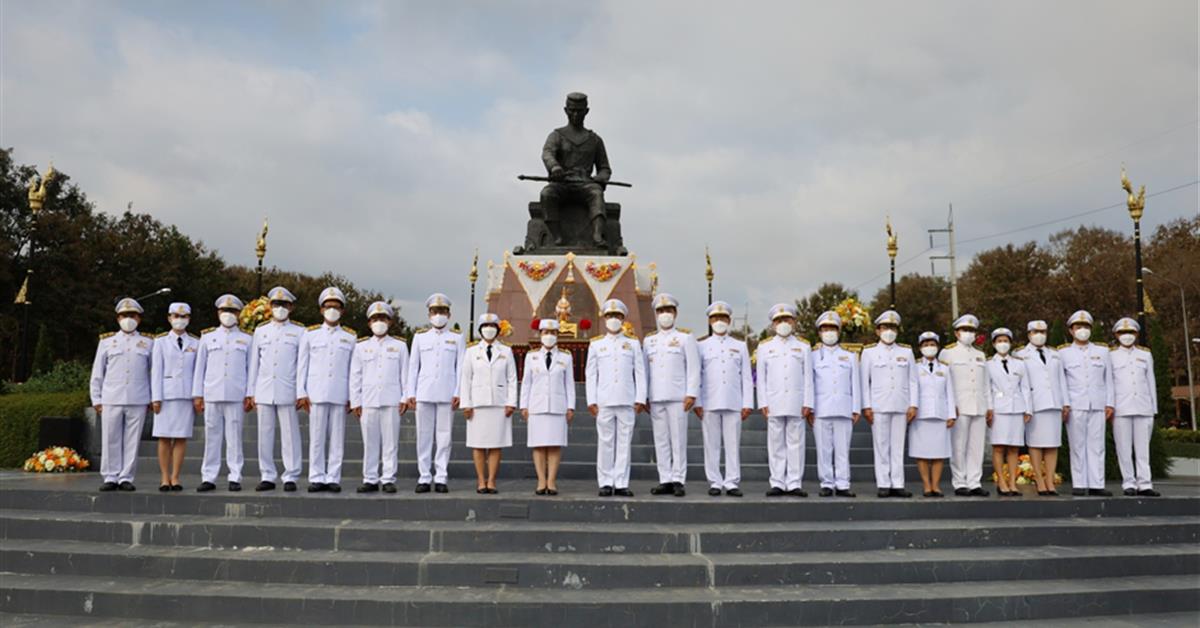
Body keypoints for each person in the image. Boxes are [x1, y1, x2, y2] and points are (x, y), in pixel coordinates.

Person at [297, 287, 356, 493]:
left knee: (337, 438)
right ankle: (316, 476)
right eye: (328, 306)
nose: (332, 310)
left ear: (342, 311)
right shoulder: (310, 334)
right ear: (321, 310)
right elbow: (302, 365)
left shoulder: (350, 337)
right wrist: (301, 392)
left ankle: (333, 477)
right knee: (317, 437)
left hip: (340, 392)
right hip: (316, 392)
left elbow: (353, 369)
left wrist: (353, 397)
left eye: (336, 307)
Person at [90, 297, 152, 492]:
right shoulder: (107, 342)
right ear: (118, 318)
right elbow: (97, 372)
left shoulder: (148, 342)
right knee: (110, 438)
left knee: (132, 440)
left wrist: (152, 397)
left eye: (132, 315)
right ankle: (110, 475)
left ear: (139, 319)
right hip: (111, 397)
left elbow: (152, 372)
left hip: (138, 397)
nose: (128, 319)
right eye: (125, 315)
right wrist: (96, 398)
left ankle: (126, 476)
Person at [406, 293, 466, 494]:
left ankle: (441, 476)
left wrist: (458, 392)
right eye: (434, 311)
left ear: (448, 314)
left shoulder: (457, 338)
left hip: (447, 392)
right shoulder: (420, 337)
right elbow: (413, 366)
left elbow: (461, 368)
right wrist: (410, 393)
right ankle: (424, 476)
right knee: (423, 436)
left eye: (442, 311)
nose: (438, 315)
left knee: (444, 437)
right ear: (429, 314)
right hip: (424, 392)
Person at [246, 286, 305, 492]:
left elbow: (301, 364)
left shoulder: (299, 331)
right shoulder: (261, 331)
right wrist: (250, 392)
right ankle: (267, 474)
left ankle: (291, 475)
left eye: (284, 304)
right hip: (264, 389)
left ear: (291, 307)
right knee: (265, 433)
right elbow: (254, 363)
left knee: (290, 434)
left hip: (288, 388)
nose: (280, 308)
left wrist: (301, 391)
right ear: (270, 307)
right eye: (276, 304)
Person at [586, 299, 647, 497]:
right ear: (604, 319)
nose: (614, 319)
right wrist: (591, 400)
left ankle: (621, 482)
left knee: (624, 443)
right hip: (604, 400)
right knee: (605, 442)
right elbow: (591, 374)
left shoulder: (632, 343)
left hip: (627, 400)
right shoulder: (596, 344)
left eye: (617, 316)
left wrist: (640, 398)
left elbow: (640, 372)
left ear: (623, 319)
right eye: (610, 316)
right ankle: (605, 482)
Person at [192, 294, 252, 492]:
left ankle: (235, 476)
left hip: (236, 394)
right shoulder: (208, 337)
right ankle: (209, 476)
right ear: (218, 313)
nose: (228, 315)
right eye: (224, 311)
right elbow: (199, 368)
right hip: (212, 393)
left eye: (232, 311)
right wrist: (198, 395)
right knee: (212, 436)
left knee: (234, 437)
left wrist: (249, 394)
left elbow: (251, 368)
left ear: (239, 313)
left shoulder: (246, 339)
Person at [642, 293, 699, 497]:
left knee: (678, 439)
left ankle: (678, 479)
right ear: (656, 314)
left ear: (675, 313)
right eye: (660, 311)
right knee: (661, 440)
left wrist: (691, 393)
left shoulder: (685, 338)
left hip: (678, 396)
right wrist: (644, 396)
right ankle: (664, 478)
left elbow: (693, 367)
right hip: (656, 397)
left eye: (668, 311)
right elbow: (645, 372)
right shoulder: (649, 341)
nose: (664, 314)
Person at [349, 301, 409, 494]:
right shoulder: (361, 347)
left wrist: (405, 397)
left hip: (391, 399)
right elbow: (355, 375)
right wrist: (356, 401)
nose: (379, 322)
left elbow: (405, 375)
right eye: (375, 319)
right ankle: (370, 478)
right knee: (370, 442)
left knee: (390, 442)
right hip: (368, 400)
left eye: (382, 318)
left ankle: (389, 478)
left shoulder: (399, 346)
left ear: (390, 322)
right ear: (369, 323)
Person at [695, 301, 753, 497]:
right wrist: (698, 402)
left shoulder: (740, 346)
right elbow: (698, 376)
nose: (719, 321)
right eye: (715, 318)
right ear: (710, 321)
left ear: (729, 320)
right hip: (709, 401)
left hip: (733, 401)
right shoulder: (701, 345)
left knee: (732, 443)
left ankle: (732, 481)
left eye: (723, 318)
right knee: (711, 443)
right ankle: (714, 481)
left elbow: (746, 376)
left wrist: (747, 403)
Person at [755, 303, 814, 497]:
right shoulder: (765, 347)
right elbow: (761, 378)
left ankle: (794, 482)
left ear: (794, 322)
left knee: (796, 442)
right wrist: (762, 402)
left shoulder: (803, 346)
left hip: (796, 401)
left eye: (787, 319)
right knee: (776, 443)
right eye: (779, 320)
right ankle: (778, 481)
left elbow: (808, 377)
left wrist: (808, 402)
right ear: (773, 324)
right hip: (774, 401)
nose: (783, 323)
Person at [539, 92, 612, 247]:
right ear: (566, 110)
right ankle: (557, 236)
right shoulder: (557, 136)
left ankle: (598, 236)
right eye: (572, 110)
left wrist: (601, 178)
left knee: (596, 194)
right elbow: (547, 153)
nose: (575, 114)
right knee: (547, 194)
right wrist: (555, 167)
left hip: (585, 184)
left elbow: (604, 168)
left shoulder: (595, 140)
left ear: (586, 111)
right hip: (562, 183)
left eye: (579, 111)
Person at [859, 310, 917, 498]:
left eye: (892, 327)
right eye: (885, 328)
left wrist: (913, 404)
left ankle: (898, 483)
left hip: (901, 404)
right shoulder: (869, 352)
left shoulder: (906, 352)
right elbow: (864, 382)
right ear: (877, 331)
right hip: (879, 405)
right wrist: (866, 406)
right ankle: (883, 483)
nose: (889, 331)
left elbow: (913, 381)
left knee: (898, 446)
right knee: (881, 445)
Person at [460, 313, 518, 494]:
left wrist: (511, 402)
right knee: (478, 444)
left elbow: (512, 378)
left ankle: (491, 480)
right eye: (485, 325)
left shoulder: (506, 351)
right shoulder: (471, 352)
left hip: (499, 404)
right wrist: (466, 404)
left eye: (493, 325)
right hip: (477, 404)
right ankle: (480, 480)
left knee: (495, 444)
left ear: (498, 329)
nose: (489, 329)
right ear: (480, 329)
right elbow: (466, 379)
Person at [1059, 310, 1114, 496]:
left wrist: (1110, 403)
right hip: (1075, 405)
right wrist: (1065, 404)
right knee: (1077, 445)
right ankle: (1080, 483)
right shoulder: (1063, 353)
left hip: (1098, 404)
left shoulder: (1103, 351)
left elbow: (1109, 380)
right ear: (1071, 330)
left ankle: (1097, 484)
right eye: (1078, 327)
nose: (1082, 330)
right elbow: (1062, 381)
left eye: (1086, 327)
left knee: (1097, 445)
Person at [520, 319, 576, 495]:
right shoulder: (532, 356)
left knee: (554, 445)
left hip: (557, 406)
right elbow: (526, 383)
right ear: (540, 334)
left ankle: (551, 481)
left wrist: (570, 407)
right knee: (538, 445)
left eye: (552, 333)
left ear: (557, 335)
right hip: (536, 406)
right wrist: (523, 405)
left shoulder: (565, 357)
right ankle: (541, 480)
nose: (549, 336)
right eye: (545, 332)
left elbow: (570, 384)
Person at [1014, 320, 1069, 496]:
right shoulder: (1021, 354)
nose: (1040, 335)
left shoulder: (1055, 354)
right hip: (1035, 405)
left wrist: (1065, 403)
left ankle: (1050, 480)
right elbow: (1021, 383)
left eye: (1043, 331)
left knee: (1053, 444)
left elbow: (1061, 380)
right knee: (1036, 444)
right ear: (1029, 334)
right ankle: (1038, 479)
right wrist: (1025, 407)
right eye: (1036, 331)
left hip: (1054, 403)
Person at [940, 314, 993, 497]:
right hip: (959, 406)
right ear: (956, 333)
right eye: (964, 330)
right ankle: (960, 482)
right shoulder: (948, 353)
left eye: (971, 330)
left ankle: (974, 482)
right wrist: (950, 406)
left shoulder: (980, 354)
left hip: (979, 405)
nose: (968, 334)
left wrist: (989, 406)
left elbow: (985, 384)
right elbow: (943, 382)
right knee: (959, 445)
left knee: (976, 447)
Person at [811, 310, 862, 497]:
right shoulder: (812, 356)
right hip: (821, 408)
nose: (829, 332)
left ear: (839, 331)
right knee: (823, 450)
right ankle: (826, 482)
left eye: (832, 328)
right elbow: (810, 383)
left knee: (842, 449)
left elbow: (855, 383)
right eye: (825, 329)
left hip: (843, 408)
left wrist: (856, 407)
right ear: (819, 332)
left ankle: (842, 483)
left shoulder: (849, 356)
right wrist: (810, 408)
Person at [150, 302, 198, 491]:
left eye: (183, 316)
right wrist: (156, 397)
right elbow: (156, 371)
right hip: (166, 395)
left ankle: (176, 476)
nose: (179, 320)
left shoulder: (196, 342)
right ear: (169, 318)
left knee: (180, 438)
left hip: (186, 395)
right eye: (176, 316)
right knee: (163, 437)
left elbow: (197, 371)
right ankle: (164, 477)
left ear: (189, 319)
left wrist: (197, 396)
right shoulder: (160, 342)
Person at [1109, 317, 1160, 497]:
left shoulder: (1145, 354)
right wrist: (1110, 405)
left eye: (1130, 332)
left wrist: (1153, 408)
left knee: (1142, 449)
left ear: (1137, 334)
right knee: (1124, 448)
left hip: (1143, 406)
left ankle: (1145, 483)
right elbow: (1109, 383)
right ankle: (1128, 482)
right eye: (1123, 333)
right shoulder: (1111, 355)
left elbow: (1150, 382)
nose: (1127, 336)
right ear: (1116, 334)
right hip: (1121, 408)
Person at [986, 328, 1032, 497]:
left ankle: (1012, 482)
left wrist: (1028, 408)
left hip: (1016, 408)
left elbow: (1025, 387)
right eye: (999, 341)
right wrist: (989, 409)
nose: (1002, 344)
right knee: (999, 448)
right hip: (999, 409)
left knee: (1014, 448)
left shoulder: (1019, 363)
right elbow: (986, 388)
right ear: (993, 344)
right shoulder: (988, 364)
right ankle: (1001, 482)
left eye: (1005, 341)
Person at [910, 332, 956, 497]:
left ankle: (936, 485)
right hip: (921, 415)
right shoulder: (914, 367)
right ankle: (926, 485)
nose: (929, 348)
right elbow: (912, 389)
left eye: (932, 344)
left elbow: (949, 392)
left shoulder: (944, 368)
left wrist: (951, 414)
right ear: (920, 347)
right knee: (922, 452)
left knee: (939, 453)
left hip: (940, 415)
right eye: (926, 344)